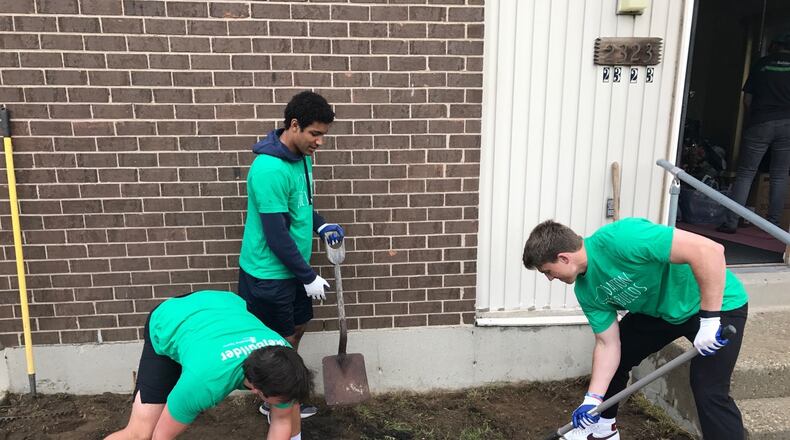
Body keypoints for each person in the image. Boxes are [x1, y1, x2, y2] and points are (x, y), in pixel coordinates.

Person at [522, 218, 748, 440]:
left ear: (563, 258)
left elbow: (710, 251)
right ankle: (603, 429)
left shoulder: (622, 238)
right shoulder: (585, 290)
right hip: (661, 312)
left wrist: (709, 320)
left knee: (709, 390)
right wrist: (593, 398)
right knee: (617, 359)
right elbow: (607, 344)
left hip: (716, 303)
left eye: (547, 271)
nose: (550, 278)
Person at [238, 91, 343, 419]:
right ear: (294, 125)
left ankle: (277, 392)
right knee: (278, 341)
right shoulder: (269, 169)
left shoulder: (303, 158)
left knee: (298, 326)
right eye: (315, 134)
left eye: (324, 135)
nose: (320, 142)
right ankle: (275, 404)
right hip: (269, 273)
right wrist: (308, 276)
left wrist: (322, 226)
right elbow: (276, 235)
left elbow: (301, 207)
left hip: (292, 270)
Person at [105, 290, 313, 440]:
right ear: (256, 390)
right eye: (278, 401)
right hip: (171, 318)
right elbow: (162, 436)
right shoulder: (204, 382)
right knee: (141, 433)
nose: (285, 403)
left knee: (289, 412)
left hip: (220, 307)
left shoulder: (283, 360)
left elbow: (282, 420)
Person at [718, 30, 790, 233]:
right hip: (787, 124)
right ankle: (774, 226)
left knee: (746, 174)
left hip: (761, 122)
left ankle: (731, 222)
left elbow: (747, 99)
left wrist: (755, 118)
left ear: (774, 45)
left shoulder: (762, 64)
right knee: (779, 175)